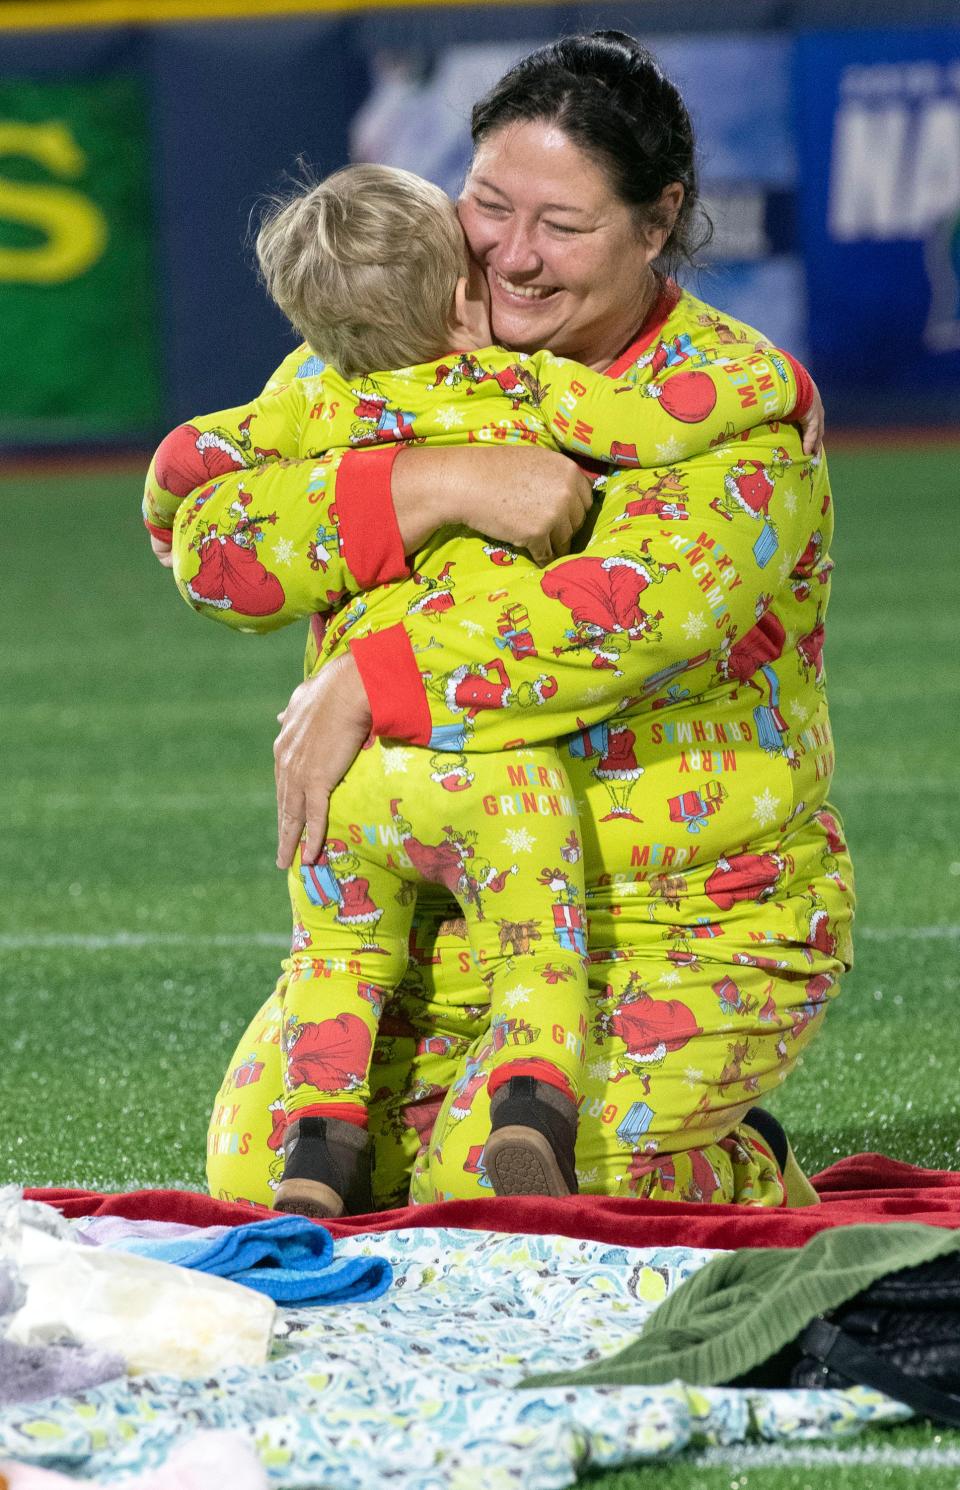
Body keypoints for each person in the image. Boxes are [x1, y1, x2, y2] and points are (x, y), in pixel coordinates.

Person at [195, 29, 850, 1212]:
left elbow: (618, 618)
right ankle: (608, 1129)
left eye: (564, 224)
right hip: (440, 919)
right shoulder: (388, 351)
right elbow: (210, 542)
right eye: (489, 204)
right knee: (254, 1176)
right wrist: (430, 483)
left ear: (658, 224)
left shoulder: (731, 416)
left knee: (492, 1196)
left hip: (684, 915)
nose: (513, 256)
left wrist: (369, 679)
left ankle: (733, 1163)